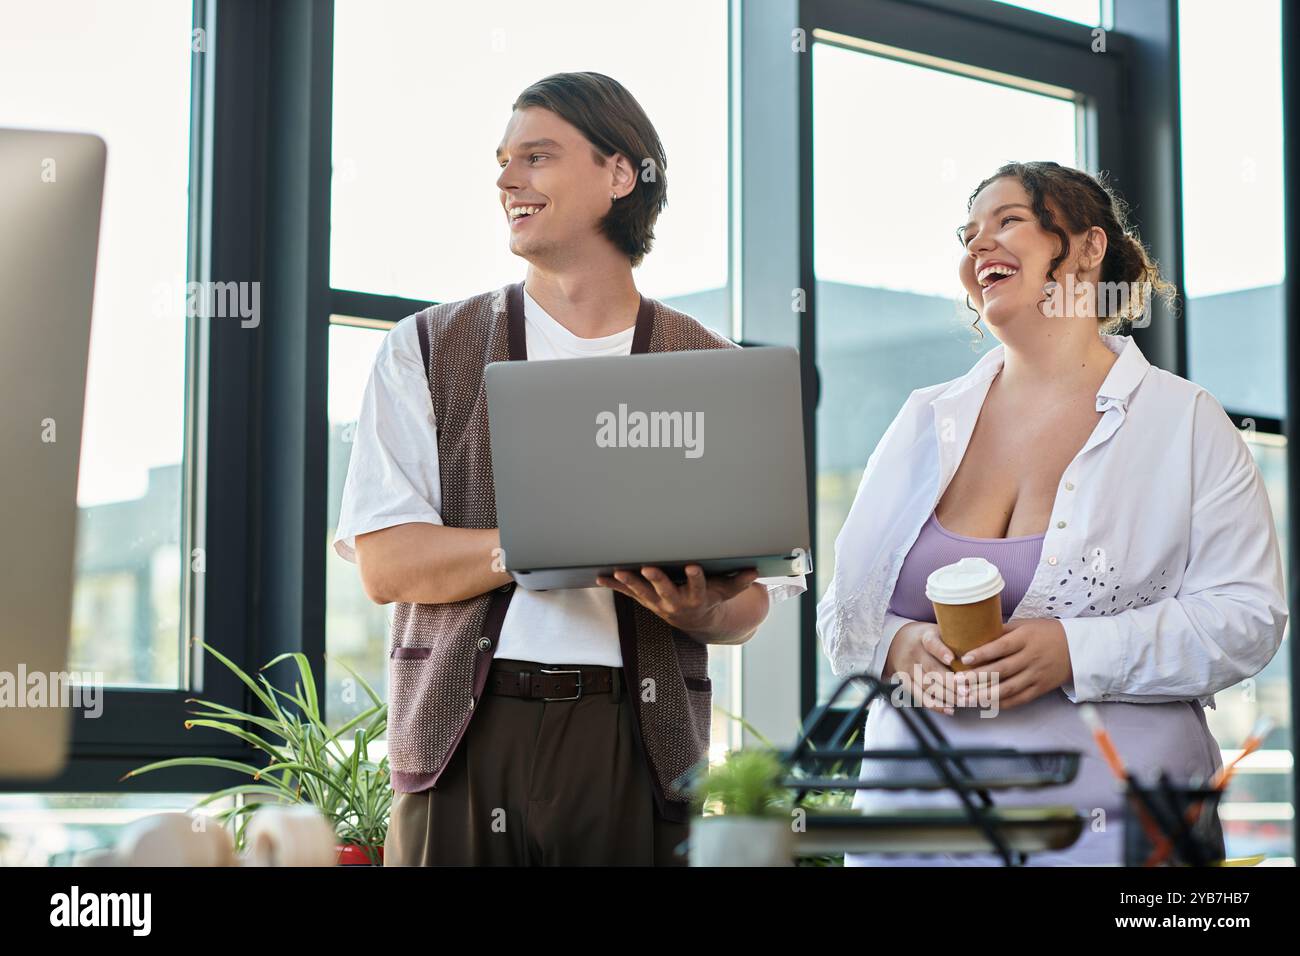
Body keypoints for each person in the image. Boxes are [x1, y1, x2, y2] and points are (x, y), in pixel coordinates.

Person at [334, 71, 806, 866]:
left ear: (620, 175)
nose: (506, 179)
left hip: (638, 741)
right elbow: (384, 563)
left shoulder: (715, 369)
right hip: (465, 737)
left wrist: (700, 615)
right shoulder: (423, 347)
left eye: (537, 157)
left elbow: (752, 602)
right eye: (503, 160)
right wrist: (543, 543)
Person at [816, 161, 1287, 865]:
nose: (978, 247)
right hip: (919, 824)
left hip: (1112, 820)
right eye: (968, 234)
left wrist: (1075, 650)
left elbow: (1248, 619)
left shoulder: (1184, 421)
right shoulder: (923, 421)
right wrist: (896, 648)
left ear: (1091, 248)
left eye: (1007, 221)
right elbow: (841, 615)